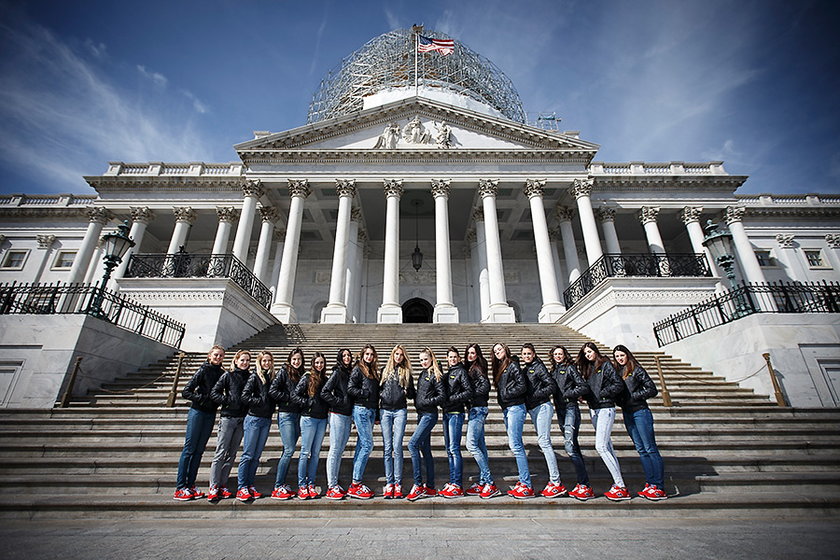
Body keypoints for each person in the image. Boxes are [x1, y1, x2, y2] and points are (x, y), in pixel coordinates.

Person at [577, 342, 631, 501]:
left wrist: (603, 394)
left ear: (595, 351)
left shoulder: (606, 365)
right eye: (585, 353)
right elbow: (591, 389)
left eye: (589, 351)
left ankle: (621, 486)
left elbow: (618, 384)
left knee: (600, 446)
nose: (588, 355)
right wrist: (585, 396)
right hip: (594, 409)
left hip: (605, 408)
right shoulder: (590, 368)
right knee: (608, 446)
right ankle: (618, 483)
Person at [613, 344, 667, 501]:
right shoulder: (619, 372)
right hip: (628, 412)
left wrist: (634, 396)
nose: (620, 358)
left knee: (650, 448)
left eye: (622, 355)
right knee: (641, 449)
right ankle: (650, 483)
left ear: (627, 355)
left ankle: (659, 486)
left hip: (640, 412)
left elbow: (652, 389)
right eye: (617, 356)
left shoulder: (636, 369)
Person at [174, 344, 225, 501]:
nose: (218, 358)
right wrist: (201, 399)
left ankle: (191, 484)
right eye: (215, 355)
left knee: (199, 450)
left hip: (210, 413)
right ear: (209, 356)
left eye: (221, 356)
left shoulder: (223, 374)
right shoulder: (202, 370)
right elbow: (186, 391)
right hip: (197, 412)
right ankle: (180, 487)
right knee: (189, 449)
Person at [549, 345, 595, 501]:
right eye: (555, 354)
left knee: (569, 446)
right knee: (573, 446)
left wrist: (569, 394)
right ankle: (583, 483)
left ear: (564, 355)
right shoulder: (553, 371)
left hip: (570, 409)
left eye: (560, 353)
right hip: (560, 410)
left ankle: (584, 485)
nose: (558, 356)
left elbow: (583, 386)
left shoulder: (570, 368)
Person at [521, 343, 566, 498]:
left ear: (534, 354)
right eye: (524, 354)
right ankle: (555, 480)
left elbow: (551, 386)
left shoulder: (539, 367)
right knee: (543, 442)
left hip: (542, 407)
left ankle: (556, 482)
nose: (526, 356)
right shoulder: (525, 369)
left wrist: (536, 396)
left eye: (529, 354)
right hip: (533, 408)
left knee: (544, 442)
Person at [207, 349, 250, 501]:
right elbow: (214, 393)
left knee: (232, 453)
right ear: (236, 361)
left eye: (247, 360)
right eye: (242, 360)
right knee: (221, 452)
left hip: (242, 418)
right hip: (228, 417)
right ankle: (213, 485)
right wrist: (228, 401)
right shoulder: (228, 375)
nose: (244, 363)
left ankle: (223, 484)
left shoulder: (251, 377)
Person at [491, 342, 533, 499]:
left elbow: (522, 386)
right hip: (508, 408)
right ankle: (524, 482)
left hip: (515, 407)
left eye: (500, 349)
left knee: (516, 445)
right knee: (515, 444)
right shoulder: (502, 366)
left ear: (506, 350)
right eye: (495, 351)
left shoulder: (513, 365)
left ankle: (526, 484)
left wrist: (506, 394)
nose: (498, 352)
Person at [406, 347, 446, 501]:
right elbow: (421, 394)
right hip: (421, 414)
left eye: (425, 359)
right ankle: (430, 486)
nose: (423, 362)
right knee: (425, 450)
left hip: (429, 415)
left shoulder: (436, 374)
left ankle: (418, 485)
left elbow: (441, 396)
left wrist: (427, 402)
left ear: (431, 359)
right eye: (421, 359)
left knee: (412, 445)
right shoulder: (423, 374)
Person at [236, 350, 276, 501]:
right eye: (264, 361)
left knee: (256, 455)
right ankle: (242, 487)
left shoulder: (271, 377)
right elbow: (245, 396)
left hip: (265, 419)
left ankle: (250, 484)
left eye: (269, 361)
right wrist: (259, 402)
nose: (267, 363)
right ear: (259, 362)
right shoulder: (254, 376)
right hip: (253, 418)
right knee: (248, 454)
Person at [463, 343, 499, 499]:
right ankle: (483, 481)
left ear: (477, 355)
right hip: (476, 408)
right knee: (480, 446)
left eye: (473, 353)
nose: (470, 355)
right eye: (468, 353)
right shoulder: (471, 368)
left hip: (478, 409)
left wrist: (470, 395)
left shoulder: (477, 369)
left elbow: (485, 386)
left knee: (470, 444)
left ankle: (489, 482)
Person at [379, 344, 415, 499]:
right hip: (385, 411)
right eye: (396, 354)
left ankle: (398, 483)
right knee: (387, 448)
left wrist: (407, 391)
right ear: (392, 355)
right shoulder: (384, 371)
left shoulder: (407, 372)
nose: (398, 357)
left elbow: (412, 393)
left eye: (401, 354)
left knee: (397, 447)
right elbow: (377, 391)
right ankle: (389, 483)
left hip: (400, 410)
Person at [268, 348, 305, 499]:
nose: (296, 362)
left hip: (297, 415)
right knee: (289, 449)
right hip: (286, 414)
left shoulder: (301, 374)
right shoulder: (283, 372)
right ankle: (278, 485)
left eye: (299, 359)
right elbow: (273, 391)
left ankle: (282, 483)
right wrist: (289, 398)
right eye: (294, 359)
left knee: (287, 450)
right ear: (290, 359)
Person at [293, 352, 329, 500]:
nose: (319, 365)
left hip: (321, 419)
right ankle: (302, 485)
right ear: (313, 363)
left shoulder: (325, 379)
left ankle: (311, 483)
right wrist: (307, 403)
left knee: (315, 454)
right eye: (317, 362)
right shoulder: (307, 377)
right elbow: (295, 395)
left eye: (322, 363)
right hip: (308, 418)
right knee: (305, 452)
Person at [346, 344, 380, 499]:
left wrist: (377, 413)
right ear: (362, 355)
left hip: (371, 410)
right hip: (361, 409)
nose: (369, 357)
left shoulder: (373, 371)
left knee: (361, 445)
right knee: (367, 445)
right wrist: (364, 393)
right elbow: (350, 388)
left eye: (371, 354)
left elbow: (376, 394)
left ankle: (355, 481)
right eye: (367, 354)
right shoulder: (358, 369)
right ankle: (355, 483)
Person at [439, 346, 473, 498]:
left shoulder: (461, 372)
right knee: (449, 449)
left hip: (456, 413)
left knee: (454, 449)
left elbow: (468, 391)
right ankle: (453, 482)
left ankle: (458, 484)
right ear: (447, 359)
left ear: (459, 358)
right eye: (450, 357)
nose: (452, 359)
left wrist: (452, 400)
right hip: (446, 413)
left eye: (455, 357)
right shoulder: (447, 374)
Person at [321, 348, 354, 500]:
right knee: (334, 449)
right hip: (337, 415)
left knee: (340, 449)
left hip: (347, 415)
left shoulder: (351, 373)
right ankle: (331, 485)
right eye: (344, 356)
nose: (347, 358)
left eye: (349, 355)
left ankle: (334, 482)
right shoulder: (337, 372)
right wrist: (338, 403)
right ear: (340, 358)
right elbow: (325, 392)